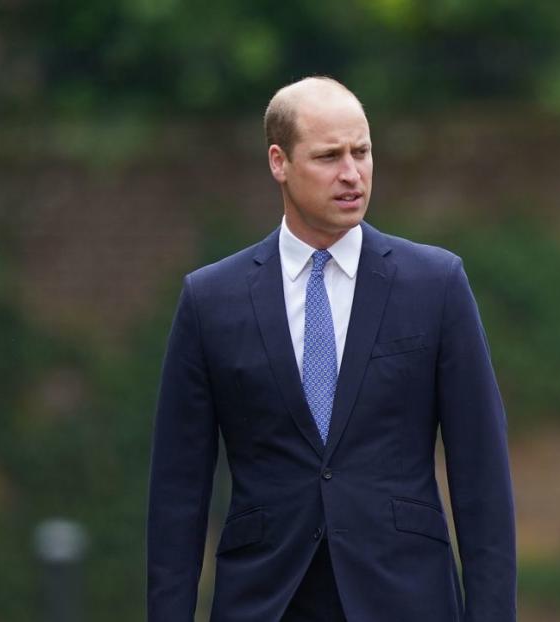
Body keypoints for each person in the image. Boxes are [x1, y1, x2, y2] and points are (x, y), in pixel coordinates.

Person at [147, 77, 516, 621]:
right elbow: (177, 494)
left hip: (406, 597)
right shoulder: (210, 300)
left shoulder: (436, 284)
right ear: (279, 162)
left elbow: (482, 477)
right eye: (328, 156)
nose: (352, 173)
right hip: (265, 599)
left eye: (362, 152)